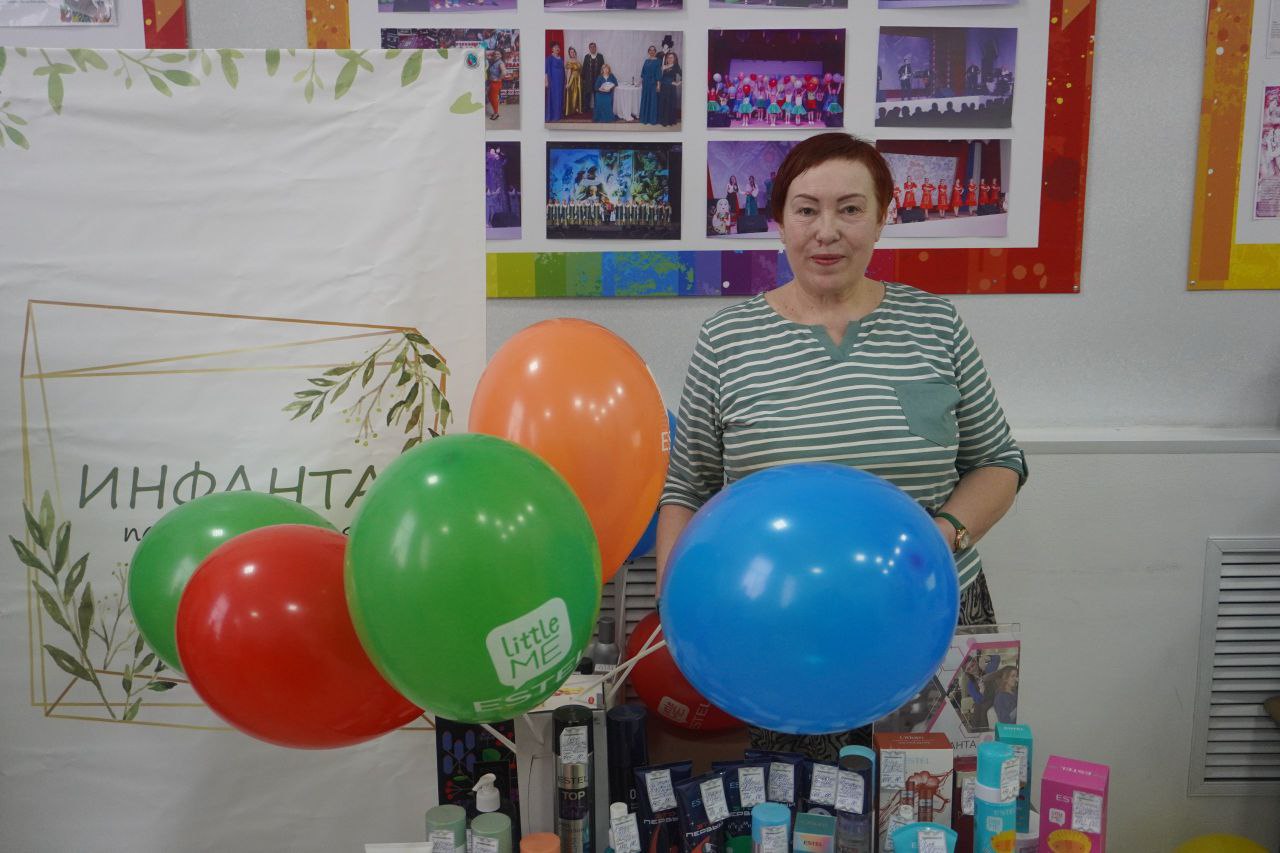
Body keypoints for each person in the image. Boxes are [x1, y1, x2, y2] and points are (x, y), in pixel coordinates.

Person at [656, 133, 1026, 760]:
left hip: (936, 612)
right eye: (806, 210)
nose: (826, 231)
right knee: (805, 804)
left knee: (953, 794)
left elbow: (999, 462)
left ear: (882, 219)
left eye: (850, 209)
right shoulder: (727, 340)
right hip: (783, 626)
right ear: (779, 222)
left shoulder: (936, 324)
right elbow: (687, 488)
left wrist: (941, 535)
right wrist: (677, 606)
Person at [658, 50, 682, 127]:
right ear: (666, 58)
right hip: (663, 87)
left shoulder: (676, 66)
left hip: (671, 88)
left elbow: (683, 75)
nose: (670, 59)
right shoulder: (663, 66)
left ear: (674, 59)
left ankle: (669, 121)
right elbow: (660, 77)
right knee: (663, 103)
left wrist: (678, 83)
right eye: (668, 57)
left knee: (670, 103)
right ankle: (663, 121)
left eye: (672, 57)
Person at [581, 42, 605, 115]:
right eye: (591, 47)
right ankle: (586, 109)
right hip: (588, 79)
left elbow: (603, 68)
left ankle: (597, 109)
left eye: (594, 47)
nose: (592, 48)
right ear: (589, 48)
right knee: (587, 95)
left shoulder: (600, 56)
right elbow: (584, 68)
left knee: (597, 95)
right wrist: (583, 79)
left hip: (597, 79)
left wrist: (602, 79)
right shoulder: (586, 57)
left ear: (596, 48)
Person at [640, 45, 661, 125]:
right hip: (645, 83)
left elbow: (658, 73)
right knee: (645, 100)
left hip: (653, 83)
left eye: (653, 50)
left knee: (652, 101)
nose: (652, 52)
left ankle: (652, 119)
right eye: (650, 50)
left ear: (655, 52)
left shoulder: (658, 61)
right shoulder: (646, 61)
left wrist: (658, 85)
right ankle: (645, 118)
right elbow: (643, 72)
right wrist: (640, 82)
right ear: (648, 52)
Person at [544, 44, 565, 123]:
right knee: (554, 97)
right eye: (555, 47)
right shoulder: (549, 58)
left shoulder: (561, 58)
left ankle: (559, 115)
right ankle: (553, 115)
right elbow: (546, 71)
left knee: (560, 97)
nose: (557, 48)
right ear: (552, 49)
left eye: (558, 47)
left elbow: (563, 70)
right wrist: (546, 81)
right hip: (553, 82)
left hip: (561, 81)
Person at [486, 50, 506, 121]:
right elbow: (486, 56)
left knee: (493, 98)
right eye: (495, 54)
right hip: (492, 82)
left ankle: (496, 113)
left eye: (498, 54)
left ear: (501, 55)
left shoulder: (500, 63)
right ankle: (495, 112)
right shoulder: (494, 61)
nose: (496, 55)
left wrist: (498, 79)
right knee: (490, 97)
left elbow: (504, 72)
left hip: (496, 83)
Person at [564, 46, 583, 116]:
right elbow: (568, 72)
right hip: (572, 79)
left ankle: (577, 109)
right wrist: (568, 83)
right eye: (571, 52)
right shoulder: (569, 61)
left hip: (578, 79)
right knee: (572, 93)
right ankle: (571, 109)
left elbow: (580, 71)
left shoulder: (577, 61)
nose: (573, 53)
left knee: (578, 94)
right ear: (569, 54)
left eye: (573, 52)